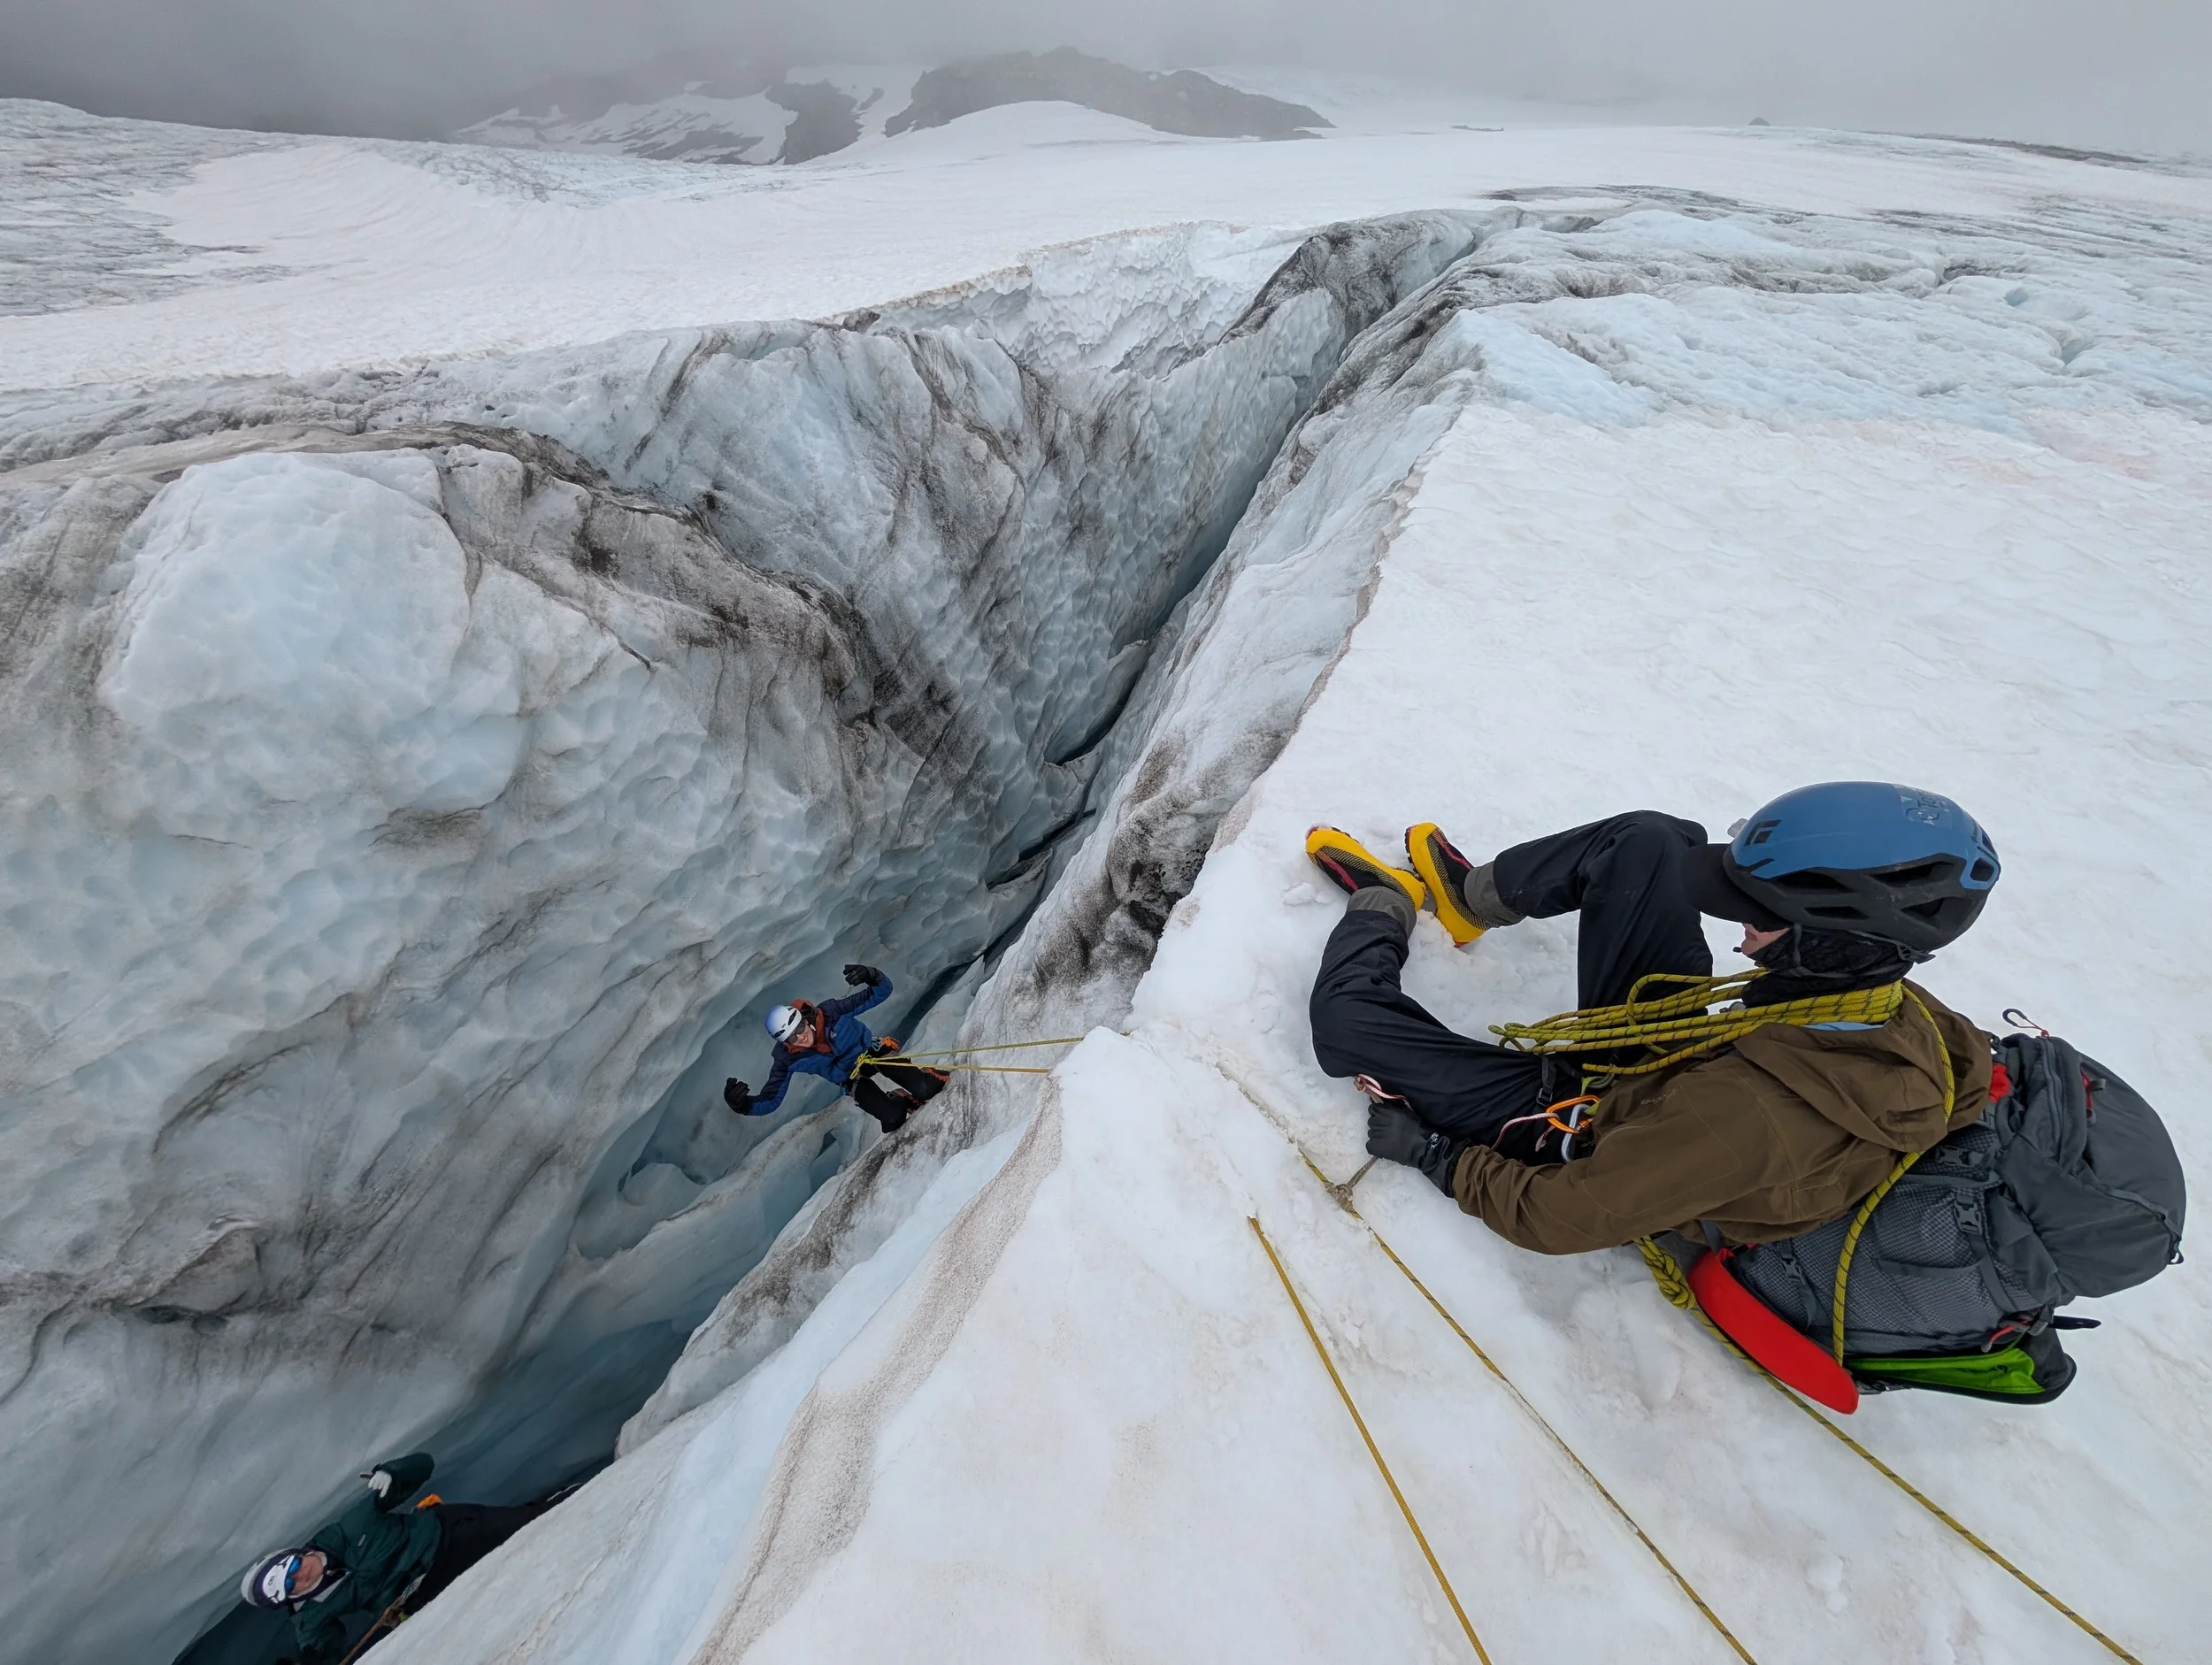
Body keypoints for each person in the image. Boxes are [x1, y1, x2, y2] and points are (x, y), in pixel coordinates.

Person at [1305, 783, 2000, 1254]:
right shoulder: (1877, 999)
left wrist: (1438, 1155)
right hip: (1676, 1066)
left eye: (1755, 914)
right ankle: (1469, 900)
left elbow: (1560, 1215)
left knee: (1347, 1023)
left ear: (1827, 940)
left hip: (1592, 1118)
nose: (1736, 929)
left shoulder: (1749, 1117)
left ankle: (1382, 906)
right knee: (1648, 843)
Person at [235, 1454, 557, 1663]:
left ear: (294, 1554)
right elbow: (324, 1649)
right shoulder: (309, 1615)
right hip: (418, 1597)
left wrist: (393, 1473)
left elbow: (423, 1466)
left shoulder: (351, 1526)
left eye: (291, 1567)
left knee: (538, 1525)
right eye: (288, 1587)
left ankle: (570, 1499)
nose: (299, 1577)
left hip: (448, 1538)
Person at [724, 963, 949, 1133]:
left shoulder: (832, 1012)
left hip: (872, 1052)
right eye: (792, 1038)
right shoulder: (787, 1059)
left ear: (804, 1019)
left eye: (800, 1027)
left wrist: (872, 975)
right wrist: (743, 1105)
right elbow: (771, 1099)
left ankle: (928, 1077)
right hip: (850, 1077)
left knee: (925, 1089)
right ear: (784, 1043)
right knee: (893, 1118)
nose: (801, 1037)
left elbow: (881, 992)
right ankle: (899, 1101)